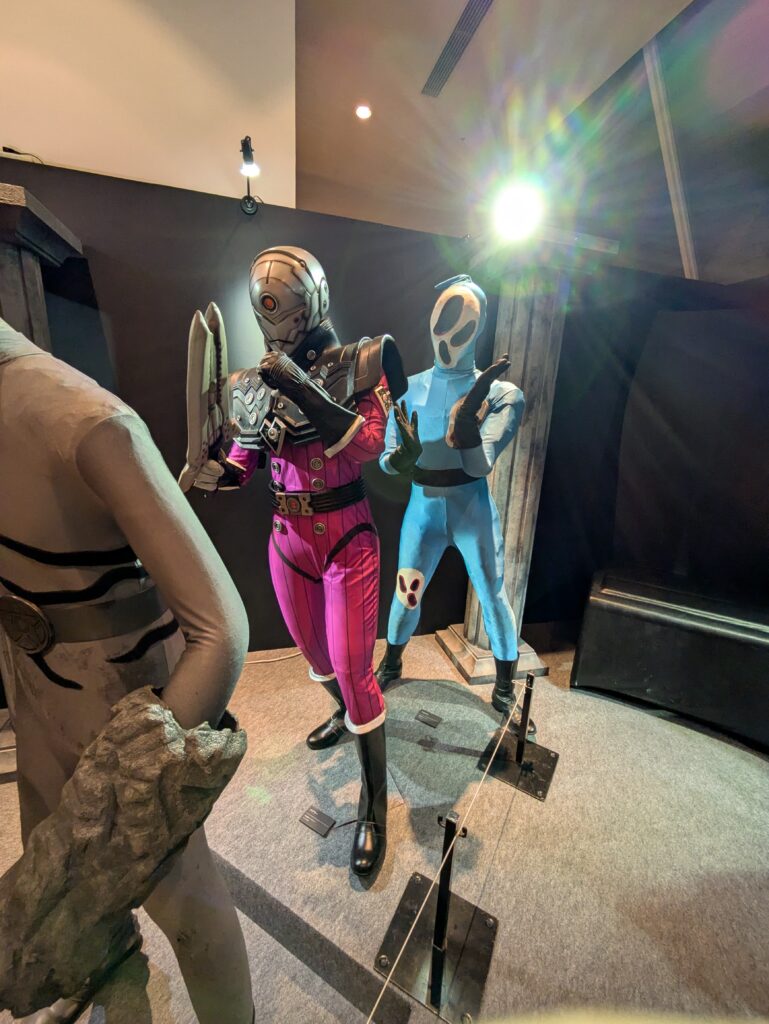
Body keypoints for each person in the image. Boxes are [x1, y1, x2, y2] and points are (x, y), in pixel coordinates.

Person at [0, 317, 254, 1024]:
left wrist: (139, 777)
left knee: (183, 899)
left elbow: (222, 630)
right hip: (36, 687)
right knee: (52, 866)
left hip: (123, 698)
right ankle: (93, 968)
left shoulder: (88, 423)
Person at [184, 245, 406, 876]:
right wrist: (215, 473)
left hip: (346, 539)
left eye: (286, 305)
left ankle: (374, 804)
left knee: (355, 668)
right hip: (287, 539)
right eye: (268, 306)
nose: (278, 318)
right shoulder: (252, 385)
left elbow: (368, 445)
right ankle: (344, 711)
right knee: (318, 659)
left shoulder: (362, 362)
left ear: (313, 303)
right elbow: (244, 462)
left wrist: (302, 386)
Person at [375, 275, 535, 735]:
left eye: (463, 326)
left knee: (492, 595)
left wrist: (465, 433)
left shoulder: (502, 394)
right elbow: (388, 457)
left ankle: (503, 687)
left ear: (478, 329)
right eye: (444, 322)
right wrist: (399, 459)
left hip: (469, 508)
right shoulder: (407, 390)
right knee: (406, 593)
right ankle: (392, 661)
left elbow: (482, 463)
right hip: (426, 506)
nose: (449, 336)